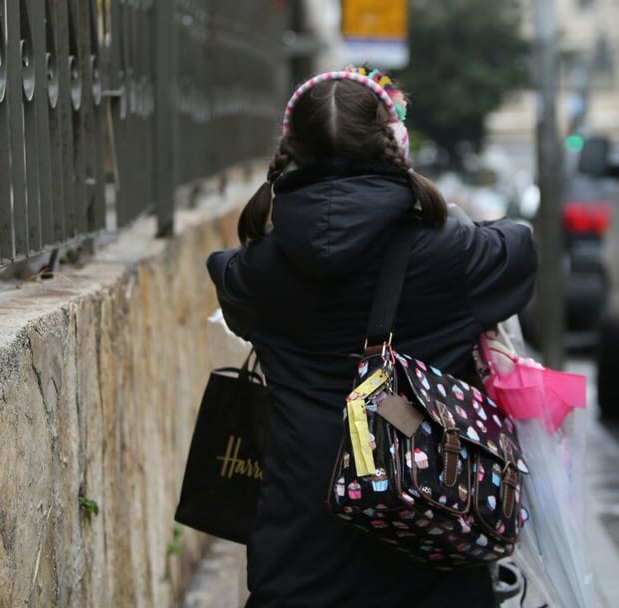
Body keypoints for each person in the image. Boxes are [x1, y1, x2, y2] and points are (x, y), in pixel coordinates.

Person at [206, 67, 538, 607]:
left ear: (291, 150)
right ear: (395, 144)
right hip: (435, 555)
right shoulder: (451, 256)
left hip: (299, 563)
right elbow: (519, 247)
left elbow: (224, 272)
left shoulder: (258, 275)